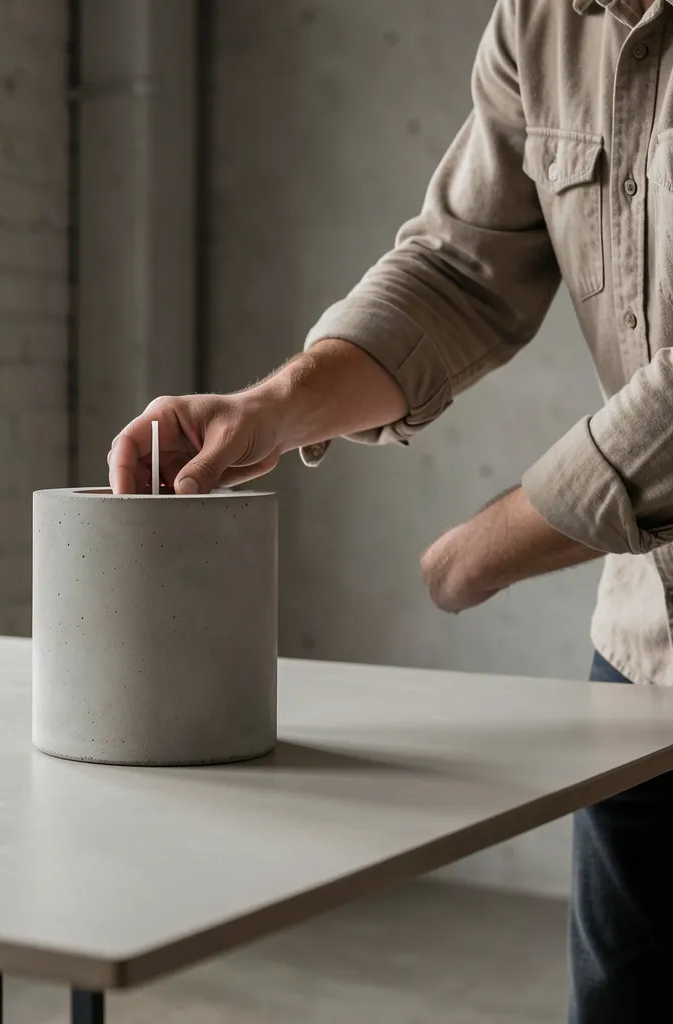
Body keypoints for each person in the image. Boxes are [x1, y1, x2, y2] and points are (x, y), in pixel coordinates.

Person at [108, 1, 673, 1020]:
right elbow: (458, 271)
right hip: (648, 654)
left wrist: (486, 546)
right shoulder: (540, 24)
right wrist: (273, 407)